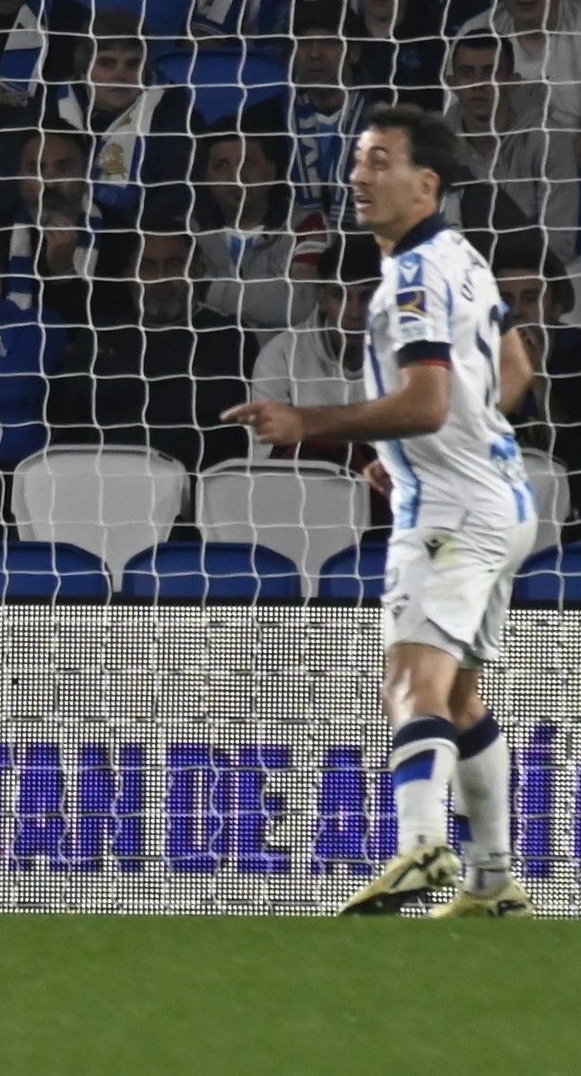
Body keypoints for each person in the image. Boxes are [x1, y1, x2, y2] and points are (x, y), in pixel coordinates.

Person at [227, 104, 538, 919]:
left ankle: (419, 846)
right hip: (498, 499)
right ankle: (493, 881)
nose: (358, 177)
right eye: (358, 161)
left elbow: (428, 401)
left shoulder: (409, 277)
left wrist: (311, 424)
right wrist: (411, 446)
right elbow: (513, 369)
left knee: (409, 683)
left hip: (449, 509)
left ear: (425, 182)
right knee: (460, 698)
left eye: (380, 161)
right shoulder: (465, 258)